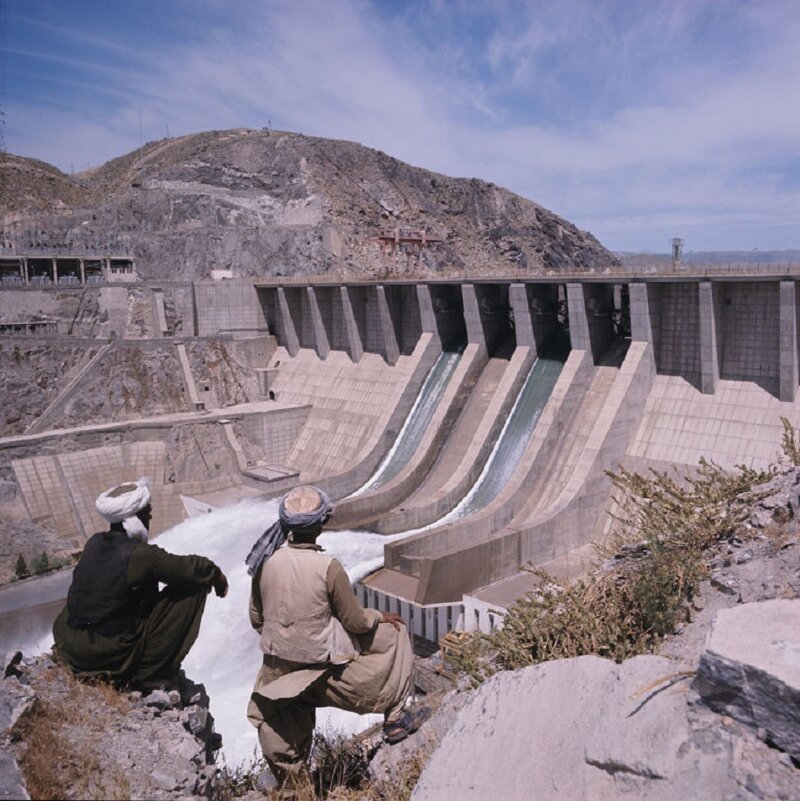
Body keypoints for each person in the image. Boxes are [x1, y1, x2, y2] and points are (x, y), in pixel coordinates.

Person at [246, 485, 429, 784]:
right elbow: (356, 622)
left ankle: (293, 786)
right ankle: (395, 719)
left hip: (278, 672)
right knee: (395, 634)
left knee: (289, 741)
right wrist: (380, 616)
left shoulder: (266, 562)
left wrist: (289, 636)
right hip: (322, 672)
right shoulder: (327, 567)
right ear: (320, 524)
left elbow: (257, 618)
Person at [52, 477, 228, 686]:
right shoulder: (142, 555)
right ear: (133, 519)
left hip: (71, 645)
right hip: (106, 655)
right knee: (196, 582)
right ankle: (144, 672)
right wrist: (216, 574)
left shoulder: (93, 543)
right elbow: (188, 568)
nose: (150, 515)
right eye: (147, 512)